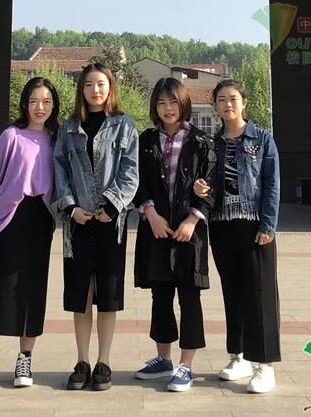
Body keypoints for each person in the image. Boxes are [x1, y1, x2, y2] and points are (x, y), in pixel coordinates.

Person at [53, 63, 139, 391]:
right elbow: (59, 170)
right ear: (82, 89)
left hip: (110, 224)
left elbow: (130, 172)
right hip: (77, 223)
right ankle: (82, 361)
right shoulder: (69, 129)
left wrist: (113, 205)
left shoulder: (124, 126)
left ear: (110, 87)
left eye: (101, 84)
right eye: (89, 84)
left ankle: (104, 362)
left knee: (108, 294)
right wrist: (70, 207)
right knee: (80, 294)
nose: (95, 90)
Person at [0, 77, 60, 388]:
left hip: (40, 218)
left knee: (32, 288)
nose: (40, 107)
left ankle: (25, 359)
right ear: (25, 103)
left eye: (46, 102)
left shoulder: (55, 138)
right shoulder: (10, 136)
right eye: (34, 101)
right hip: (9, 217)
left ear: (54, 106)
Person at [194, 79, 281, 393]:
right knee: (232, 292)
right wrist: (200, 188)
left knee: (260, 294)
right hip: (221, 225)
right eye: (221, 99)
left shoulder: (263, 139)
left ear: (244, 103)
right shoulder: (211, 143)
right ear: (215, 106)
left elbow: (272, 185)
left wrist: (268, 226)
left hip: (254, 225)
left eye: (233, 99)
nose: (227, 104)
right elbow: (206, 181)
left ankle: (265, 365)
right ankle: (238, 356)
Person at [133, 78, 215, 392]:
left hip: (188, 232)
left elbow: (211, 185)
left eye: (173, 103)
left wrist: (192, 220)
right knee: (160, 295)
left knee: (190, 296)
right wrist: (150, 213)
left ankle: (186, 365)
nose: (168, 109)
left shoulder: (201, 141)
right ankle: (163, 359)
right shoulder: (145, 140)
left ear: (183, 104)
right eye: (162, 103)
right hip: (156, 228)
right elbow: (136, 181)